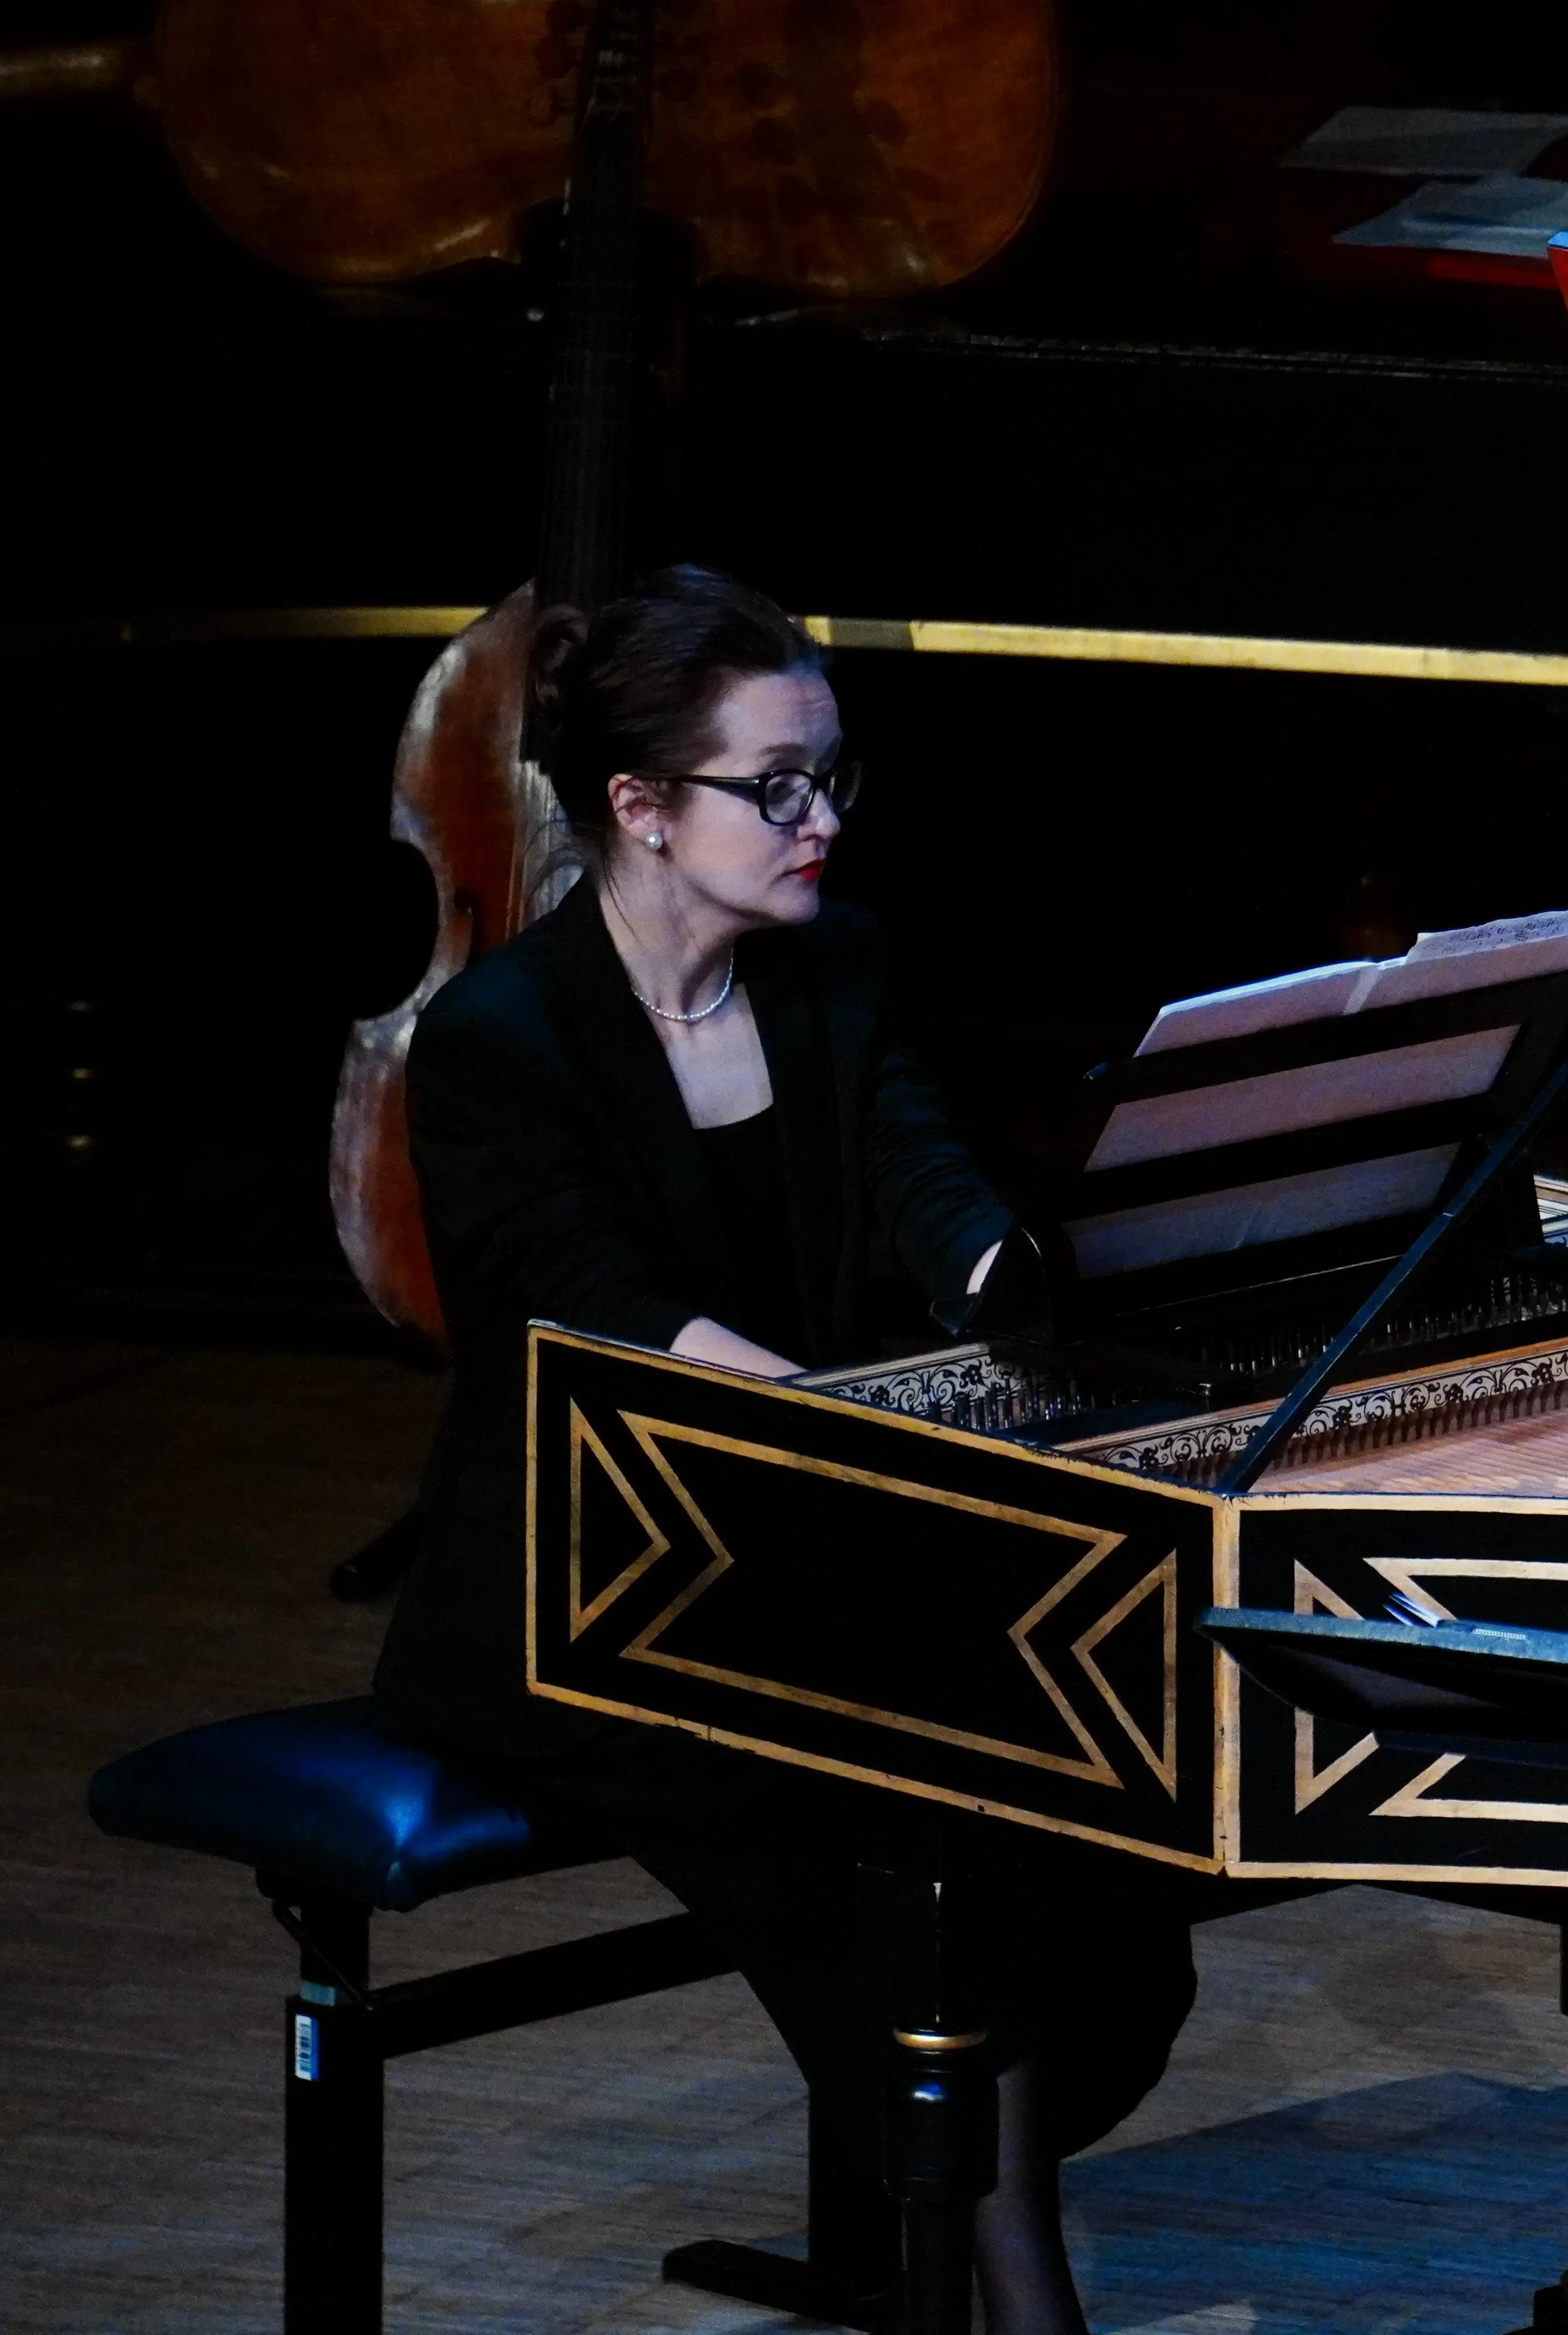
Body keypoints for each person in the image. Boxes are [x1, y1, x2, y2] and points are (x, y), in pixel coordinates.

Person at [371, 565, 1186, 2334]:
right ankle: (1006, 2281)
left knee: (1053, 1769)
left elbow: (928, 1176)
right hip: (575, 1586)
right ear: (640, 811)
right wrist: (853, 1438)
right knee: (913, 1815)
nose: (820, 823)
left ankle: (955, 2216)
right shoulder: (498, 1042)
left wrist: (1015, 1283)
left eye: (835, 779)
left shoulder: (832, 969)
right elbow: (610, 1317)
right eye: (775, 788)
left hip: (786, 1540)